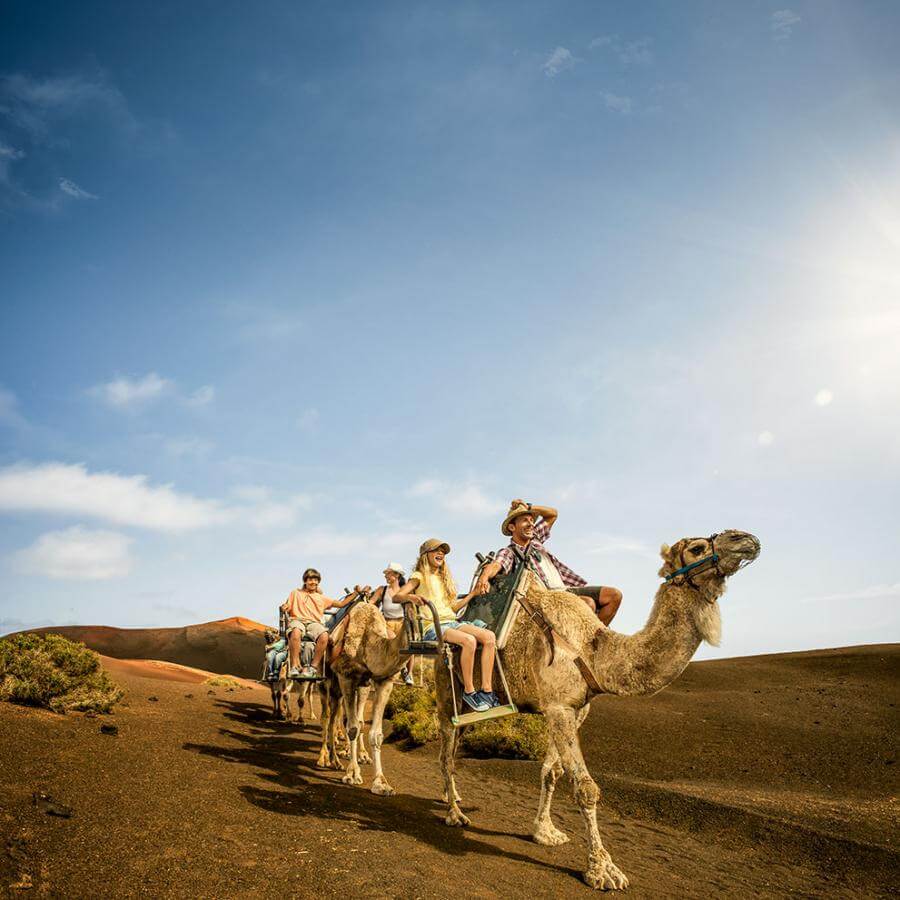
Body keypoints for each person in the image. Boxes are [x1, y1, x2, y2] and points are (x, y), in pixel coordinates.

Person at [474, 500, 623, 626]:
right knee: (587, 604)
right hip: (548, 597)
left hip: (566, 590)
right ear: (512, 527)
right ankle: (584, 646)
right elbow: (497, 564)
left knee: (614, 596)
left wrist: (529, 507)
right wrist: (484, 576)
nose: (531, 524)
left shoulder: (535, 540)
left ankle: (595, 643)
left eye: (532, 520)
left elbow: (552, 514)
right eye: (525, 520)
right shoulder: (510, 552)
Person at [392, 539, 498, 713]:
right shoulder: (419, 576)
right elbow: (397, 597)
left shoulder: (442, 579)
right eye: (436, 550)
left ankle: (487, 691)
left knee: (489, 637)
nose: (441, 553)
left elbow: (452, 608)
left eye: (443, 551)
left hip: (451, 622)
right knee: (469, 641)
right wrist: (412, 598)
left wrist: (472, 594)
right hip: (433, 627)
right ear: (426, 555)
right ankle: (469, 691)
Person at [281, 568, 359, 679]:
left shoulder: (321, 598)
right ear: (305, 581)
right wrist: (285, 607)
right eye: (310, 579)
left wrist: (355, 593)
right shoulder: (296, 593)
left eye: (316, 580)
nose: (313, 582)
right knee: (296, 632)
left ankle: (313, 667)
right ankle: (294, 666)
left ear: (318, 582)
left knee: (324, 635)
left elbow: (342, 604)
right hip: (297, 620)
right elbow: (287, 605)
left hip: (314, 623)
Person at [371, 562, 414, 686]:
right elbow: (371, 603)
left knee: (409, 644)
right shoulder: (382, 590)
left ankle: (408, 673)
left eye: (388, 574)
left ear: (396, 575)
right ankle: (399, 668)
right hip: (387, 623)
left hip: (402, 623)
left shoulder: (404, 590)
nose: (386, 576)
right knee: (391, 639)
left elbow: (411, 608)